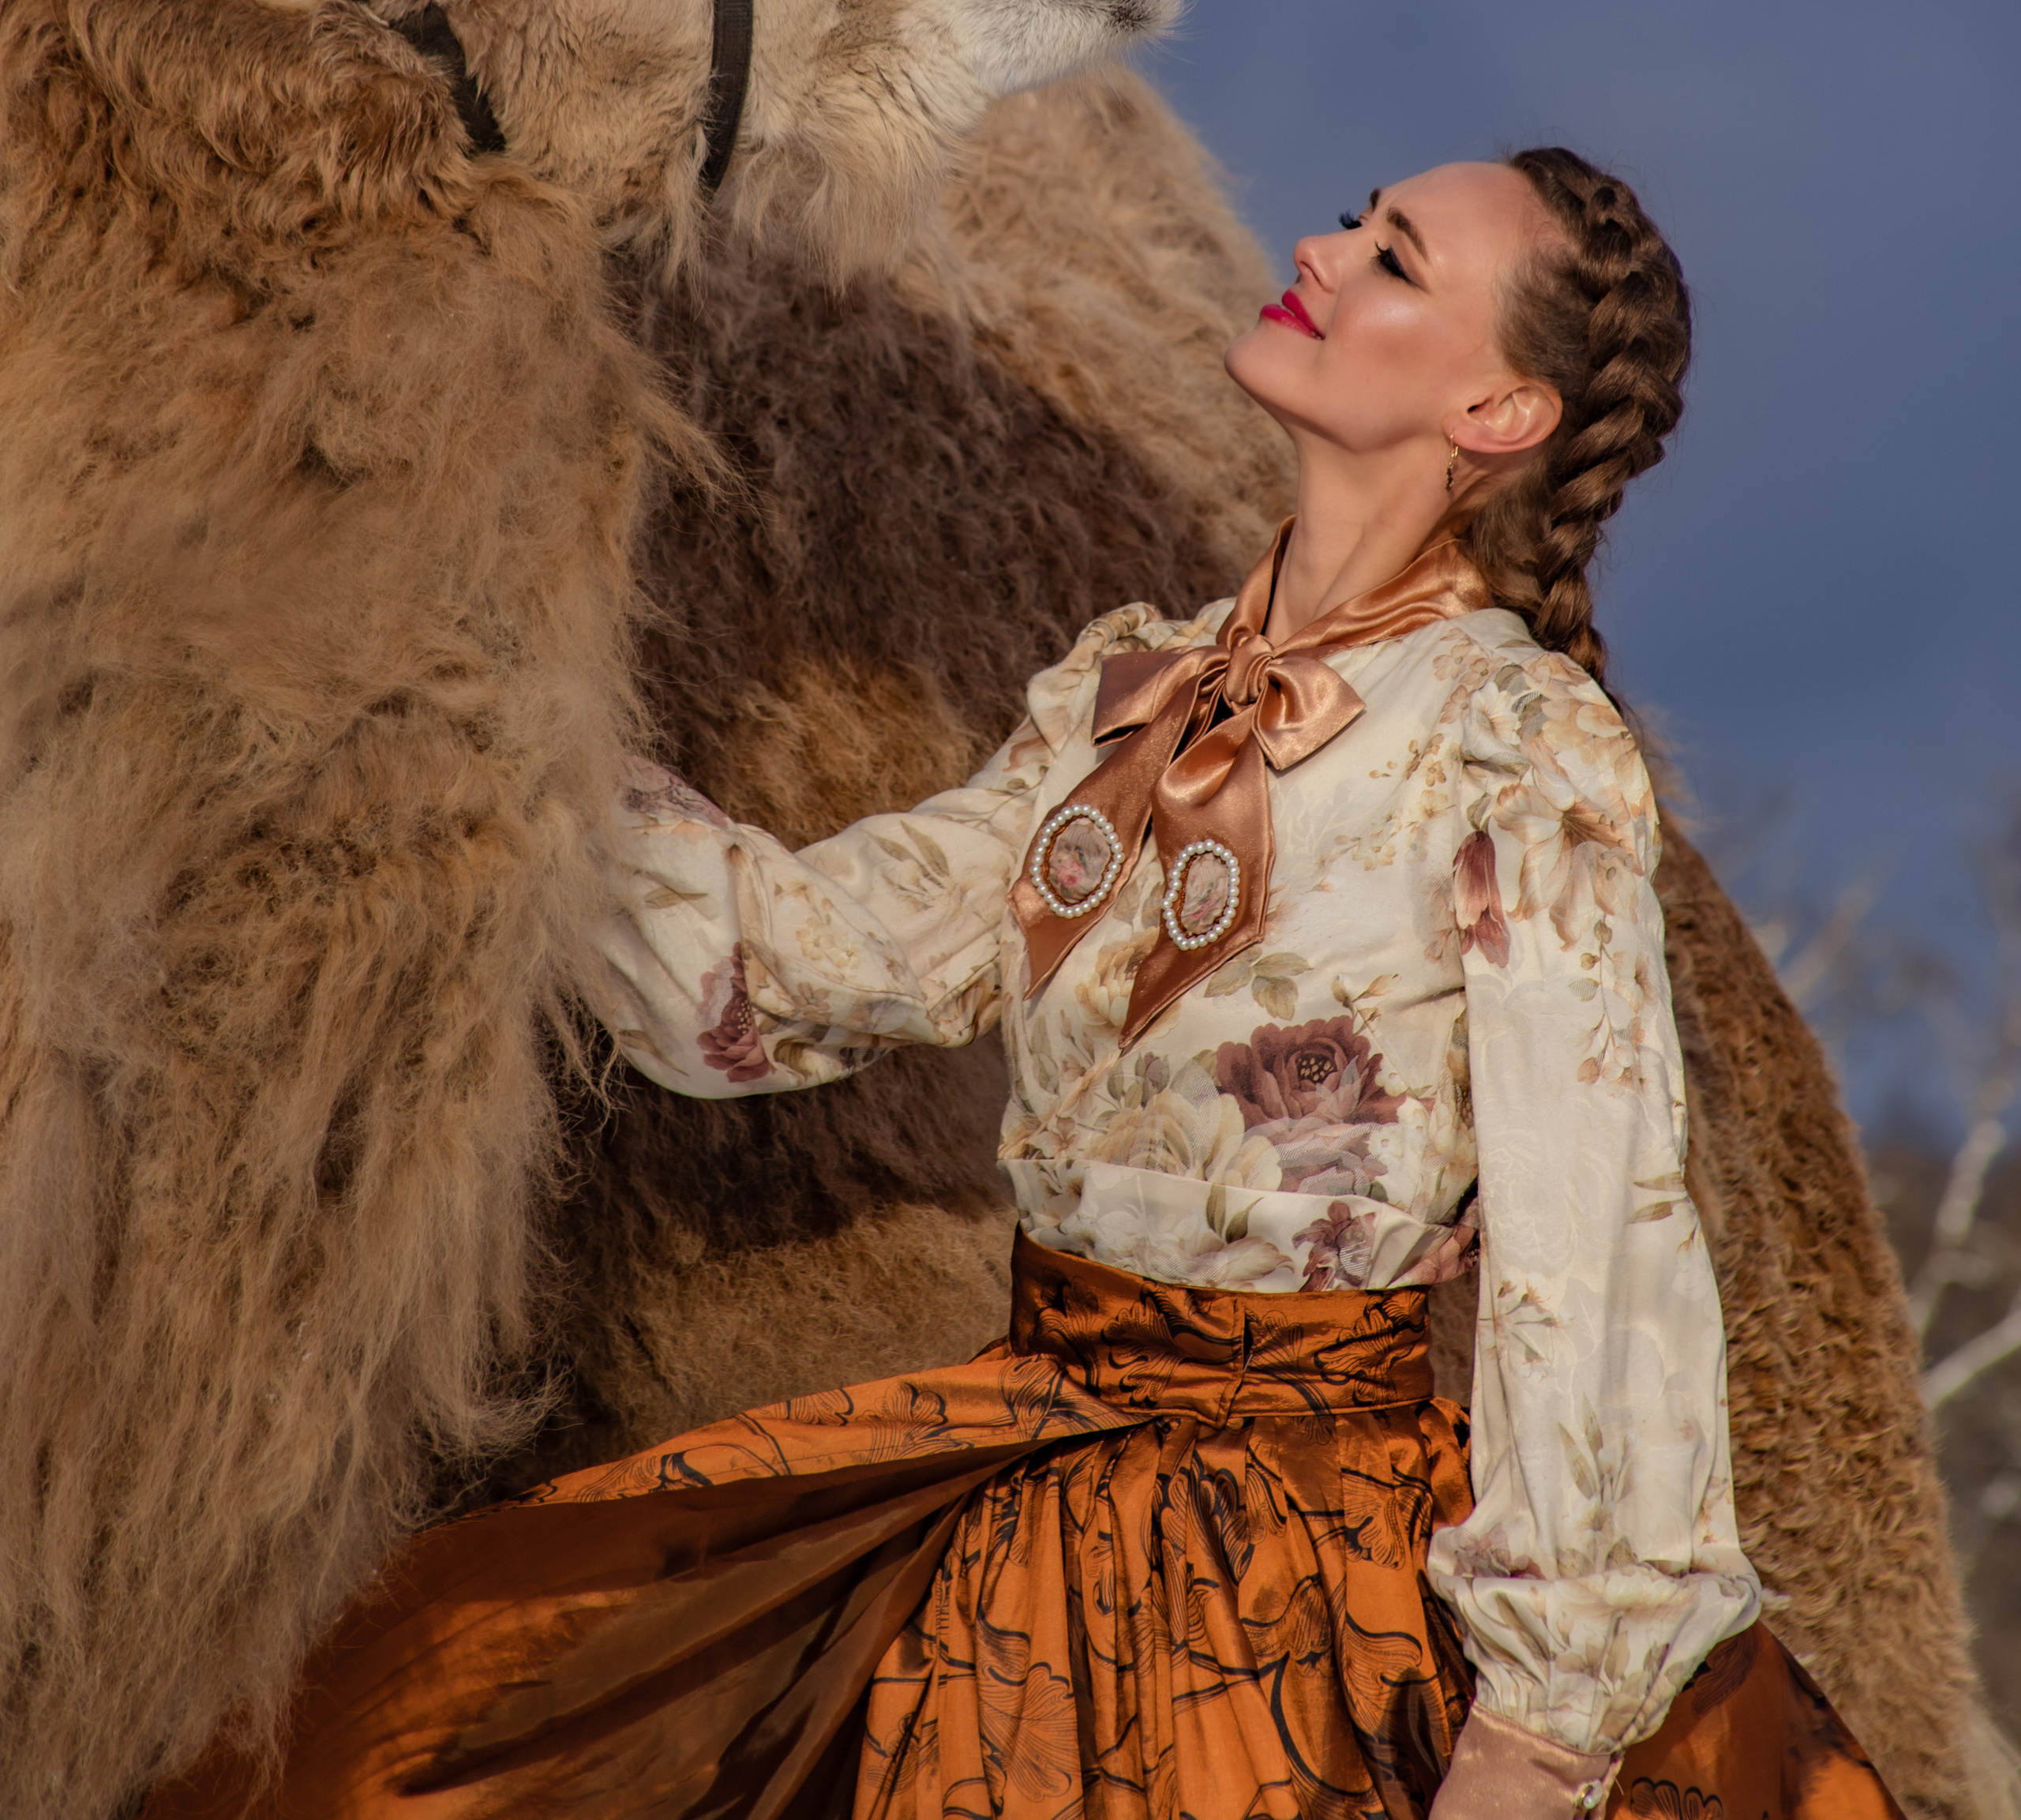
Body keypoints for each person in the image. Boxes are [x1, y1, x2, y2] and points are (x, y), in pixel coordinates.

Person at [156, 151, 1899, 1820]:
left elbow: (1592, 1262)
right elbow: (765, 980)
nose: (1315, 252)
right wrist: (477, 675)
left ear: (1495, 415)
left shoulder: (1517, 753)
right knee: (394, 1734)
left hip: (1301, 1599)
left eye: (1391, 263)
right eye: (1349, 222)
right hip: (1018, 1525)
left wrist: (1529, 1748)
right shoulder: (1120, 700)